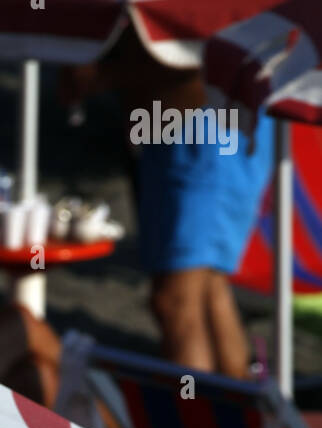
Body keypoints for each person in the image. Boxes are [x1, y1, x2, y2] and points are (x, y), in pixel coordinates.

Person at [62, 28, 274, 378]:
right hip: (205, 128)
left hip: (207, 129)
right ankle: (236, 422)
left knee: (175, 301)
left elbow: (199, 52)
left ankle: (195, 424)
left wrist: (106, 74)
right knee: (207, 289)